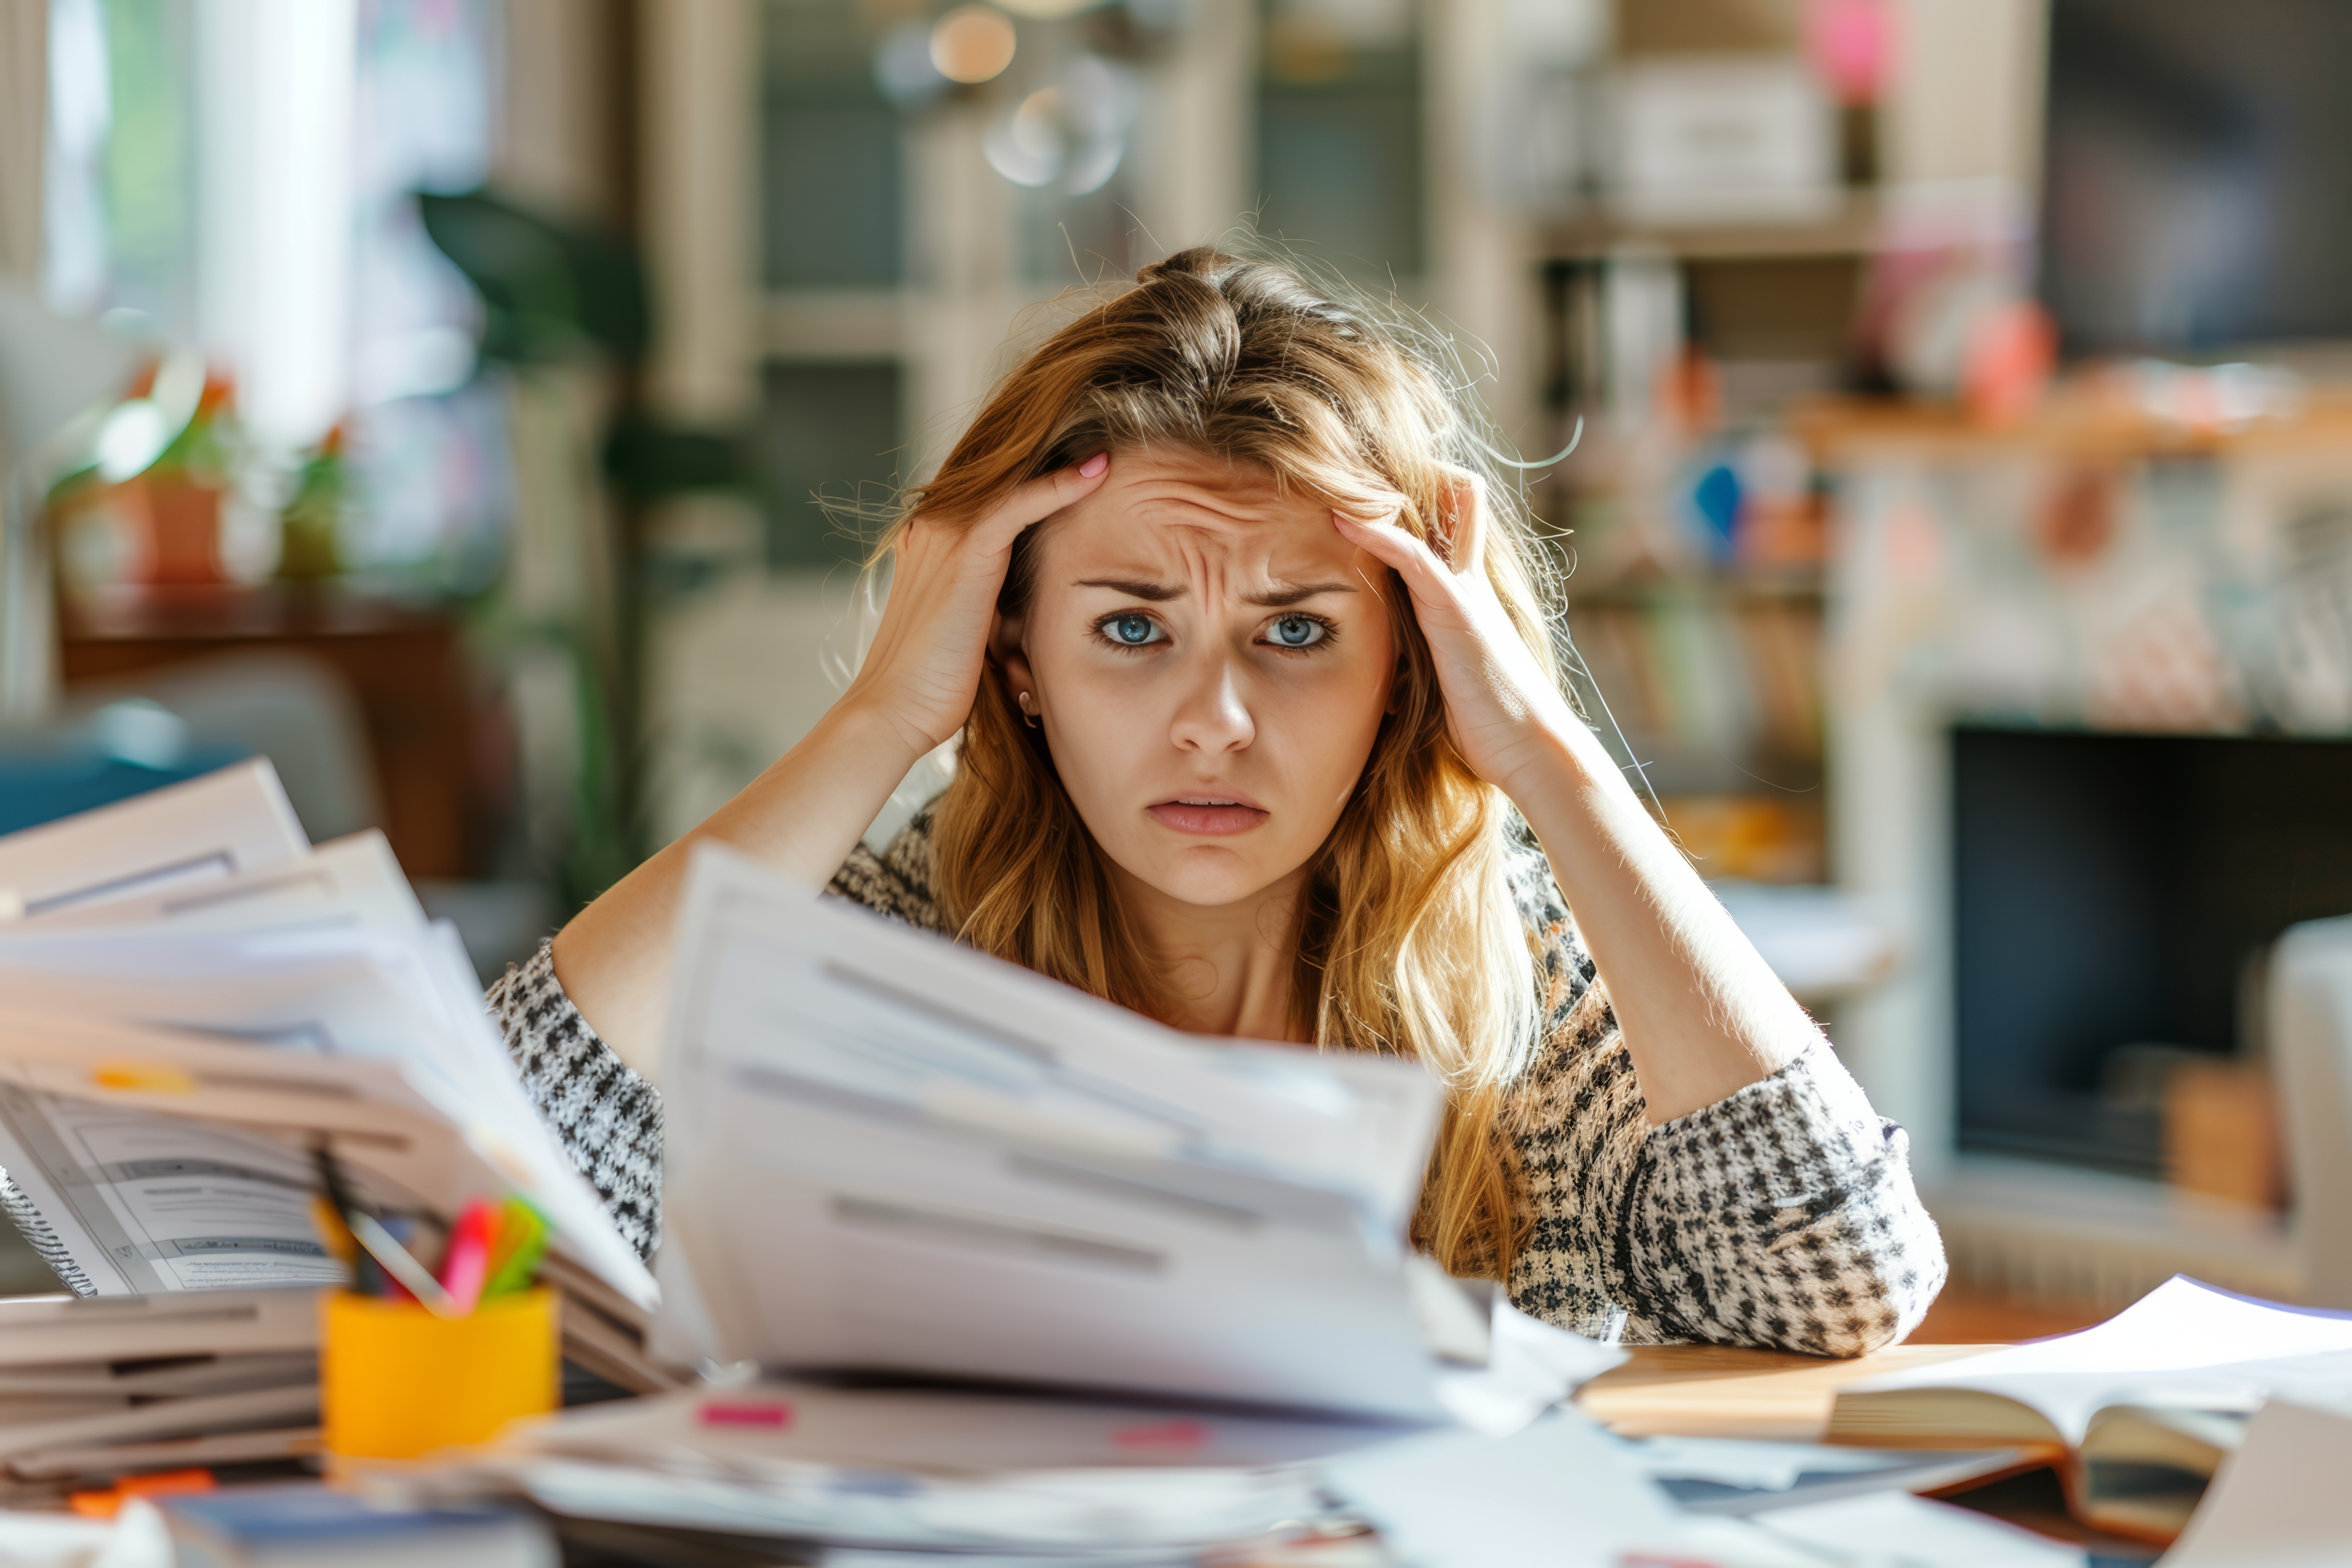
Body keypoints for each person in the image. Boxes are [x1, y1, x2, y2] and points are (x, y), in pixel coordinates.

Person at [491, 247, 1944, 1355]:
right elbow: (493, 1188)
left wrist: (1543, 749)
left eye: (1297, 630)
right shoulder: (895, 934)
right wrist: (883, 716)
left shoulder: (1521, 985)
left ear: (1404, 664)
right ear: (1015, 654)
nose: (1214, 725)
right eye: (1130, 628)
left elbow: (1841, 1277)